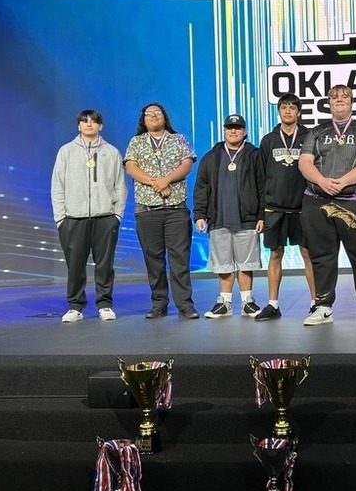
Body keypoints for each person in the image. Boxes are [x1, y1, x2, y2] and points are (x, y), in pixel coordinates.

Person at [298, 84, 356, 326]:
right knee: (322, 257)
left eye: (344, 96)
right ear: (328, 103)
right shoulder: (315, 132)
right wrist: (322, 182)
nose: (339, 99)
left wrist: (342, 182)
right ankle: (323, 306)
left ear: (352, 102)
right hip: (318, 202)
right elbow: (305, 163)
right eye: (334, 97)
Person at [124, 102, 199, 320]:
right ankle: (159, 304)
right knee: (153, 259)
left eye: (158, 113)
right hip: (147, 210)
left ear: (164, 117)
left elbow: (187, 165)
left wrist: (166, 179)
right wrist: (156, 183)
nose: (154, 116)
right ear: (143, 120)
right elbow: (131, 168)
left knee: (179, 260)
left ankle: (185, 305)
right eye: (149, 114)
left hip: (176, 209)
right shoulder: (136, 142)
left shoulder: (179, 139)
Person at [51, 109, 128, 323]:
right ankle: (75, 306)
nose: (89, 124)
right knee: (75, 265)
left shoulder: (111, 152)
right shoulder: (66, 151)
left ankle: (105, 304)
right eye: (84, 121)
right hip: (73, 219)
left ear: (100, 126)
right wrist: (60, 218)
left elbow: (120, 187)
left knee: (105, 264)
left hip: (105, 217)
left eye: (93, 121)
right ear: (78, 126)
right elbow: (57, 186)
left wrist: (117, 215)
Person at [193, 113, 265, 318]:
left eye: (238, 128)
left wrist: (262, 215)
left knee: (246, 263)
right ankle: (224, 303)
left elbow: (263, 187)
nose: (233, 131)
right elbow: (201, 187)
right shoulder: (211, 157)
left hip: (248, 219)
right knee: (223, 264)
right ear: (224, 131)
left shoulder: (255, 155)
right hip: (219, 219)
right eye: (229, 128)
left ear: (245, 132)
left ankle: (247, 302)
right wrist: (200, 214)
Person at [254, 93, 316, 321]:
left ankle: (315, 302)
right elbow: (260, 178)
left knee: (308, 253)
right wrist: (261, 212)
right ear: (278, 111)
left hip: (303, 207)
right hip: (275, 207)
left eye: (292, 107)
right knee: (275, 253)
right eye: (283, 107)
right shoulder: (268, 140)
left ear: (299, 112)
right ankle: (273, 304)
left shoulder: (310, 137)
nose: (288, 111)